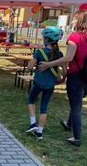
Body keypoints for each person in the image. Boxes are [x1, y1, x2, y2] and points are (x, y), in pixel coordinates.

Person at [39, 12, 87, 147]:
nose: (72, 22)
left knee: (76, 106)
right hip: (86, 76)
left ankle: (77, 138)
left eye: (75, 19)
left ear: (79, 21)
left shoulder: (75, 37)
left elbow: (68, 58)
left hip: (77, 76)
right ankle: (69, 124)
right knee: (76, 101)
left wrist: (48, 64)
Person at [25, 26, 66, 140]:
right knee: (44, 107)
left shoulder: (39, 52)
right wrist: (62, 79)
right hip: (50, 84)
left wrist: (32, 62)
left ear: (46, 39)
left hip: (38, 83)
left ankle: (33, 123)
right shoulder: (60, 54)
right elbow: (65, 70)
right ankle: (39, 132)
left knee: (31, 100)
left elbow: (28, 67)